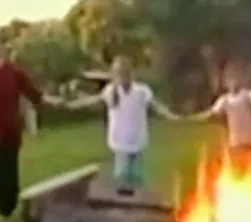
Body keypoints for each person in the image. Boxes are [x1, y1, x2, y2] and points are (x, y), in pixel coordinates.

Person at [0, 36, 60, 218]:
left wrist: (52, 100)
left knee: (9, 172)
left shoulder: (14, 72)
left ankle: (6, 209)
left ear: (1, 48)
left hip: (10, 129)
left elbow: (33, 93)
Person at [65, 54, 177, 192]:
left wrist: (171, 116)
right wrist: (72, 105)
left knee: (137, 180)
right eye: (119, 75)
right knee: (121, 179)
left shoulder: (141, 91)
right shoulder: (110, 92)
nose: (123, 78)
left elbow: (156, 106)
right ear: (114, 76)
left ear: (131, 74)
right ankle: (122, 205)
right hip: (120, 143)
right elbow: (93, 101)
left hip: (138, 142)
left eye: (125, 74)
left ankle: (137, 205)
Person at [181, 61, 251, 155]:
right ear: (226, 83)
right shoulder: (224, 100)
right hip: (236, 142)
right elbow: (210, 114)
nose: (233, 82)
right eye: (230, 80)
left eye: (235, 79)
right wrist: (192, 118)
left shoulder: (249, 95)